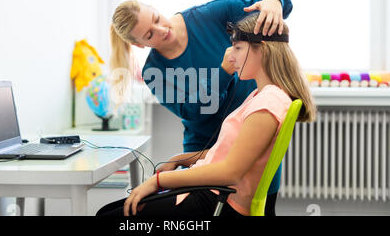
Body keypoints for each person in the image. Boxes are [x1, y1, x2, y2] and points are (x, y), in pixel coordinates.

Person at [97, 12, 316, 217]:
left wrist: (159, 181)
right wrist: (178, 159)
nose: (230, 57)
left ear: (264, 50)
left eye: (238, 48)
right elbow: (225, 154)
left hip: (215, 202)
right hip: (206, 194)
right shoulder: (261, 96)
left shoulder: (267, 104)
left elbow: (230, 172)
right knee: (112, 210)